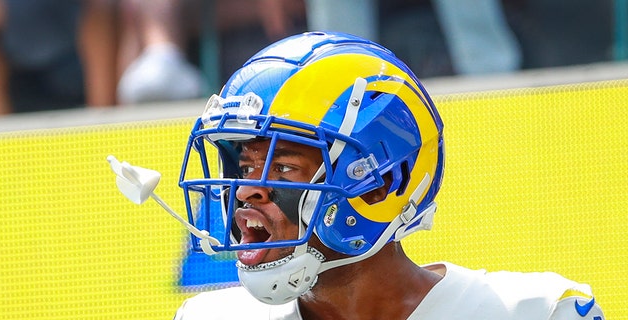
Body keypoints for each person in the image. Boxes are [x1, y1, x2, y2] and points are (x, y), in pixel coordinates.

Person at [172, 31, 604, 319]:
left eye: (282, 168)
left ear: (381, 185)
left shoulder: (538, 311)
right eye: (245, 167)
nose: (247, 190)